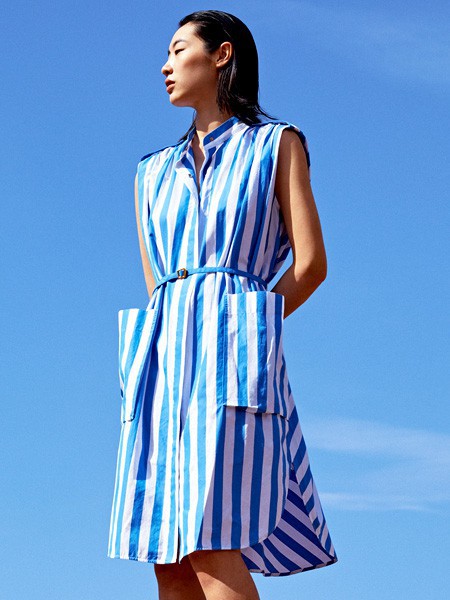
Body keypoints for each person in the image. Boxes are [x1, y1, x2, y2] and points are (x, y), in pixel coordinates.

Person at [107, 10, 338, 600]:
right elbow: (156, 286)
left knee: (212, 540)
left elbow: (311, 264)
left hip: (231, 361)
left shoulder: (276, 144)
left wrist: (244, 328)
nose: (164, 65)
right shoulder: (150, 173)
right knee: (168, 556)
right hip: (162, 367)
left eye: (178, 49)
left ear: (221, 54)